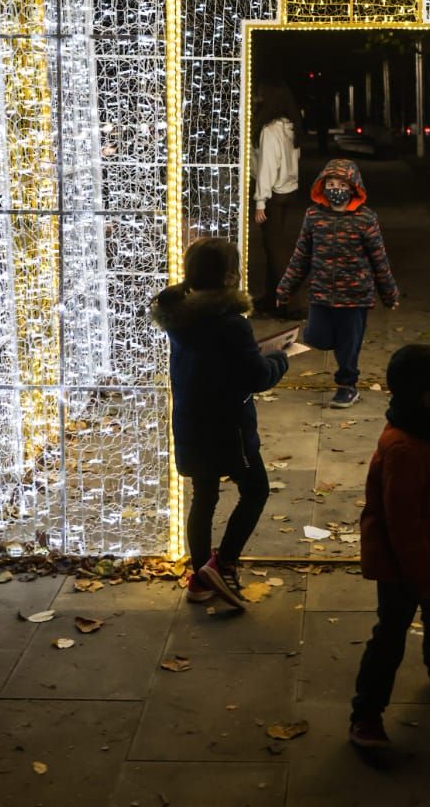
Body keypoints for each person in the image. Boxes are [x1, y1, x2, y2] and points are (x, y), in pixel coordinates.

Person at [151, 236, 291, 610]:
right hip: (228, 428)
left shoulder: (178, 315)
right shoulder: (230, 324)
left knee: (204, 495)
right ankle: (223, 563)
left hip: (191, 422)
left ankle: (200, 577)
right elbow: (257, 377)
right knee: (256, 490)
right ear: (230, 277)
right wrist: (279, 358)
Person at [348, 343, 430, 753]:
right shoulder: (405, 447)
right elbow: (402, 523)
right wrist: (423, 576)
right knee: (391, 633)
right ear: (426, 396)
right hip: (402, 563)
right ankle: (366, 715)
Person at [275, 157, 398, 407]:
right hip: (321, 293)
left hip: (355, 297)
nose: (336, 189)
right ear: (323, 186)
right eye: (331, 183)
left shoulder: (365, 219)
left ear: (353, 187)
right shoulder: (313, 216)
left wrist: (389, 293)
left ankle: (347, 385)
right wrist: (285, 287)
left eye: (341, 184)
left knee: (348, 346)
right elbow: (301, 255)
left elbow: (379, 259)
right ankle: (339, 348)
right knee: (317, 336)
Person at [251, 80, 304, 315]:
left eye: (261, 95)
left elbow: (267, 167)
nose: (257, 99)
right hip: (287, 191)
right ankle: (272, 298)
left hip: (272, 194)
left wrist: (260, 201)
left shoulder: (270, 130)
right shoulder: (291, 127)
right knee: (273, 245)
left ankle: (287, 302)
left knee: (275, 248)